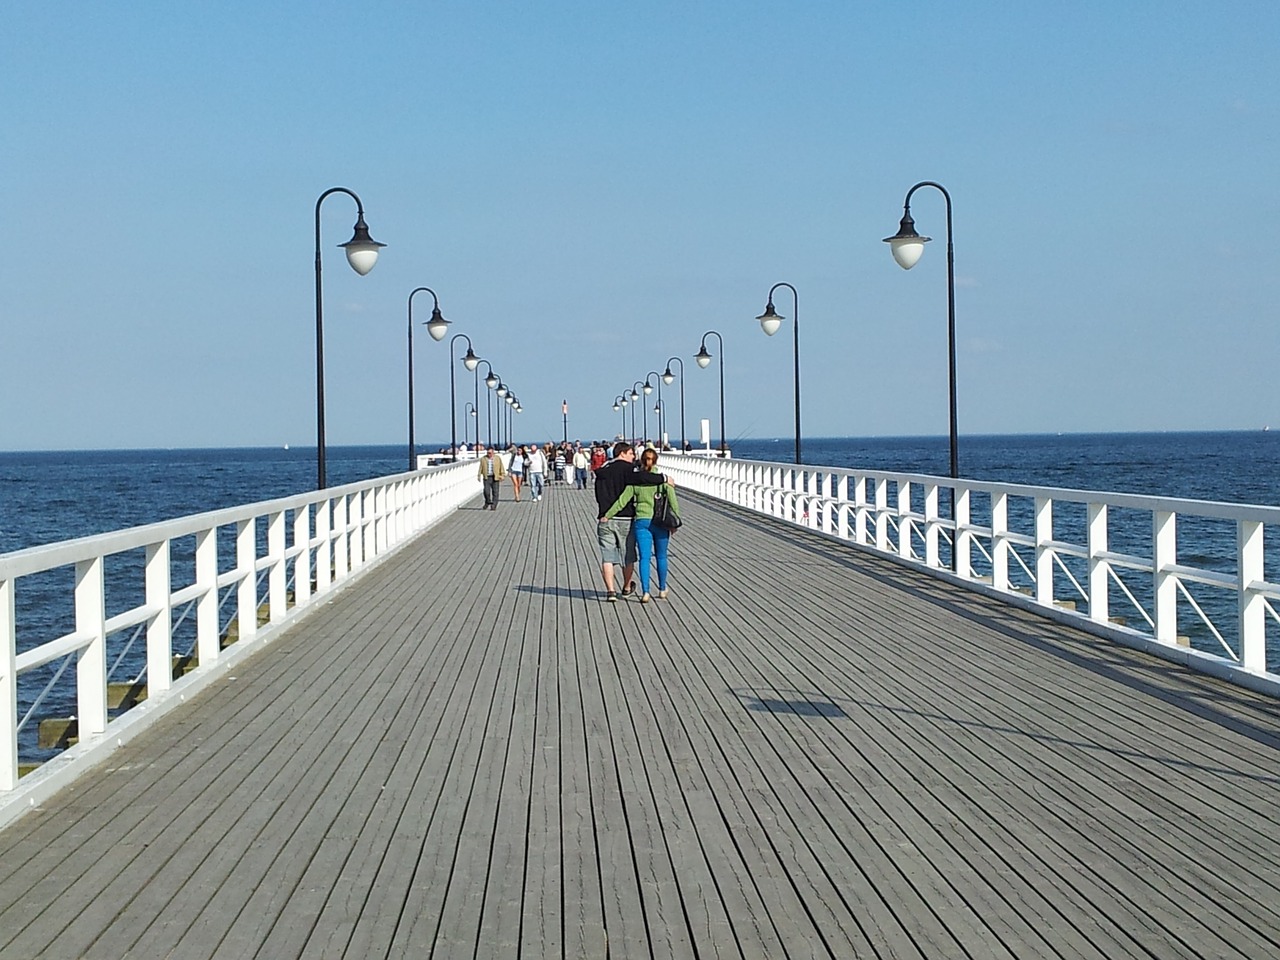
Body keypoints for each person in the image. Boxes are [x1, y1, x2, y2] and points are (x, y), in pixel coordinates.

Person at [600, 447, 680, 603]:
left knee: (645, 557)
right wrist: (675, 522)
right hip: (661, 522)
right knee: (661, 556)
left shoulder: (636, 482)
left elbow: (622, 501)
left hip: (642, 521)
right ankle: (662, 589)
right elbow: (673, 502)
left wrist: (607, 515)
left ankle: (646, 592)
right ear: (656, 461)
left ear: (641, 461)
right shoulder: (664, 481)